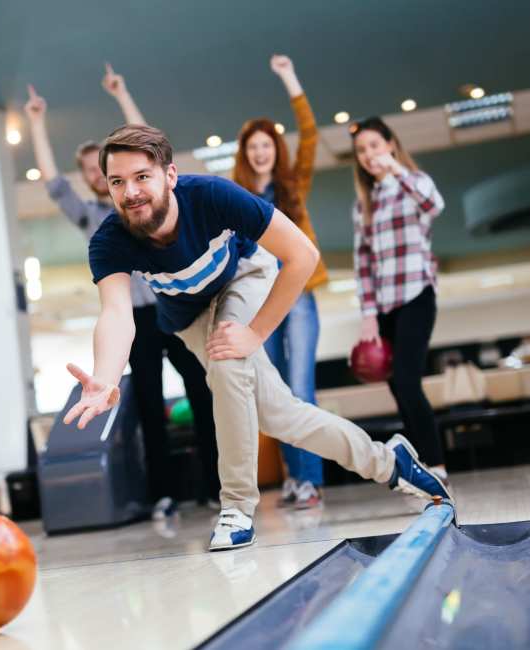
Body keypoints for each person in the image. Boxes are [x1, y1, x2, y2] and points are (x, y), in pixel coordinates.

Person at [64, 124, 452, 551]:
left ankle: (236, 507)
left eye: (142, 177)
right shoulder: (110, 238)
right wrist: (105, 377)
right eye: (118, 182)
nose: (131, 192)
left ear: (169, 176)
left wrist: (256, 332)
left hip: (244, 277)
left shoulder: (213, 196)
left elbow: (303, 255)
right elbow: (118, 314)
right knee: (281, 416)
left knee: (229, 361)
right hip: (189, 316)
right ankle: (389, 462)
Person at [24, 78, 220, 519]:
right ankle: (165, 494)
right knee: (149, 405)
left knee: (202, 393)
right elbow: (53, 184)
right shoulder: (92, 216)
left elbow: (148, 145)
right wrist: (36, 123)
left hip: (173, 305)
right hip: (133, 320)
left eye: (101, 168)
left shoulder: (147, 198)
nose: (96, 176)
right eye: (91, 172)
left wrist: (121, 95)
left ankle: (214, 485)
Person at [231, 54, 325, 510]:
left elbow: (310, 134)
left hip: (300, 295)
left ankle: (310, 479)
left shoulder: (293, 184)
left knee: (301, 387)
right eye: (253, 146)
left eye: (267, 144)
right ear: (246, 154)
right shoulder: (238, 196)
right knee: (276, 393)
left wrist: (290, 76)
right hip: (262, 301)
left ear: (275, 149)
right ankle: (294, 478)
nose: (260, 152)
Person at [350, 116, 448, 482]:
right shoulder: (363, 205)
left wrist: (396, 170)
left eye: (375, 146)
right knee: (397, 385)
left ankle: (436, 467)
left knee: (408, 380)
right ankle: (424, 468)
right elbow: (363, 263)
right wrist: (368, 315)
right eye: (362, 150)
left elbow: (433, 206)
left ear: (390, 145)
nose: (369, 155)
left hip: (416, 293)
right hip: (385, 304)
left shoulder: (415, 183)